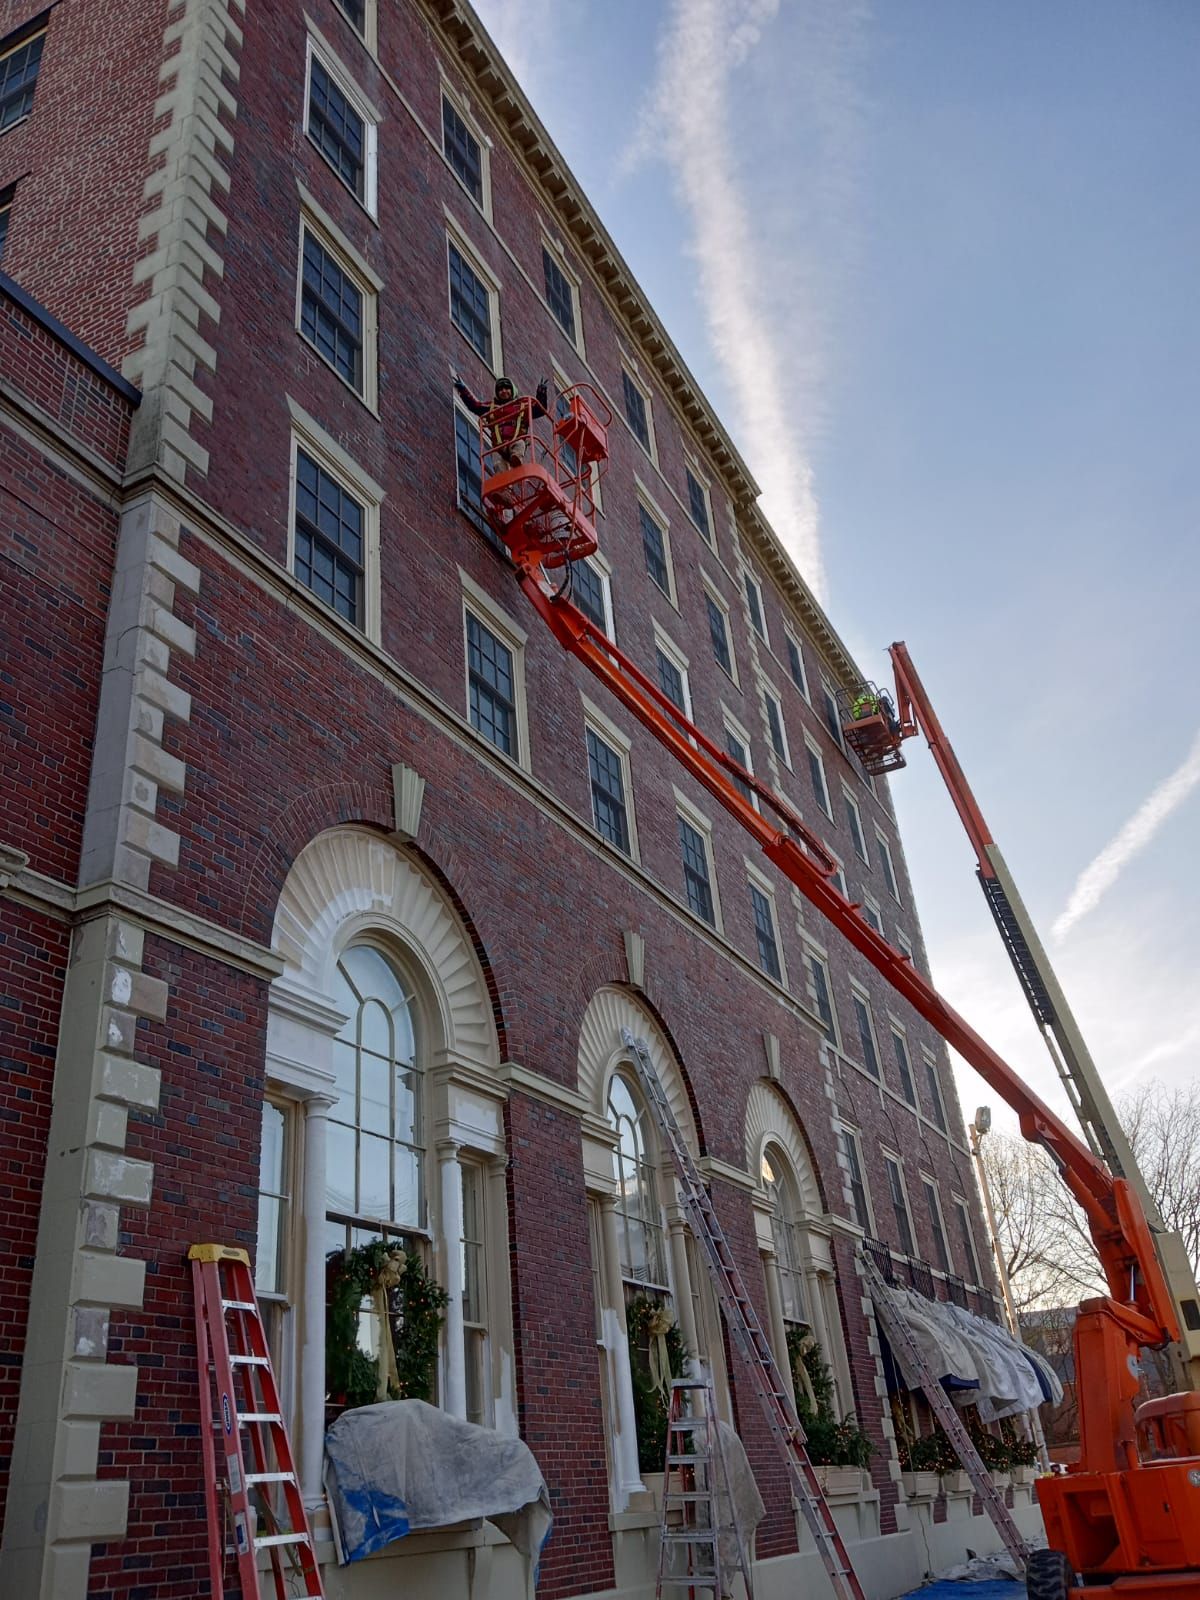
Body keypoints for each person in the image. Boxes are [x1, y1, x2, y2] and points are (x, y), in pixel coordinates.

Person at [452, 369, 548, 468]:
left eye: (506, 388)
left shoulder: (522, 406)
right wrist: (463, 390)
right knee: (498, 464)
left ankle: (516, 459)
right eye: (500, 390)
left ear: (512, 390)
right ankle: (504, 476)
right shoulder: (491, 407)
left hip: (515, 441)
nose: (503, 391)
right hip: (498, 447)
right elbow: (475, 406)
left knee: (520, 444)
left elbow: (540, 410)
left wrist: (541, 393)